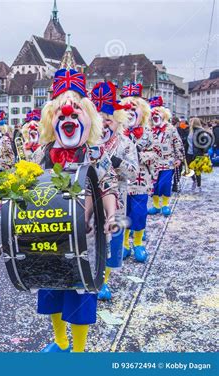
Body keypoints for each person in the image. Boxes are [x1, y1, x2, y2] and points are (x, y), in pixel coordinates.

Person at [36, 69, 118, 353]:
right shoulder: (42, 152)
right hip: (49, 236)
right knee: (52, 289)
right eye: (62, 115)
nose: (68, 119)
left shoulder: (96, 153)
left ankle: (79, 350)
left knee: (81, 294)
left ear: (88, 118)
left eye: (75, 114)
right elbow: (30, 188)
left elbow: (108, 187)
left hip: (87, 237)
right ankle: (59, 343)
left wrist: (113, 216)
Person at [90, 81, 139, 301]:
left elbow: (133, 173)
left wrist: (116, 161)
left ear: (116, 121)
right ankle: (88, 276)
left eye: (107, 119)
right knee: (91, 240)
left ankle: (104, 281)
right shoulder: (87, 141)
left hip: (117, 199)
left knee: (112, 241)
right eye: (99, 120)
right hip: (90, 201)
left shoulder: (126, 143)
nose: (103, 124)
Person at [119, 83, 157, 263]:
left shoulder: (148, 133)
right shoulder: (118, 133)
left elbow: (156, 153)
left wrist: (139, 155)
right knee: (124, 214)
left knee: (140, 214)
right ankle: (125, 244)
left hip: (141, 181)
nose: (130, 111)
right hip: (123, 182)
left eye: (134, 108)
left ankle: (138, 243)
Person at [147, 97, 184, 216]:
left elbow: (177, 142)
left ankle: (165, 205)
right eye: (153, 113)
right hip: (153, 162)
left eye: (158, 113)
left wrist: (179, 158)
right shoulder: (149, 129)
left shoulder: (171, 128)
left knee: (165, 183)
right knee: (154, 185)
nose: (155, 116)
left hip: (168, 161)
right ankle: (156, 206)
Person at [186, 118, 210, 191]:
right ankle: (194, 181)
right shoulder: (190, 131)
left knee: (197, 170)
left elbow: (206, 142)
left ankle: (199, 185)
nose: (189, 123)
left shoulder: (201, 131)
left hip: (198, 153)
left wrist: (204, 152)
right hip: (189, 153)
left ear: (194, 123)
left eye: (191, 122)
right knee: (188, 169)